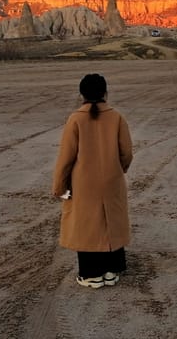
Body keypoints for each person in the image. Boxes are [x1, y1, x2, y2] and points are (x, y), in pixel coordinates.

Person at [52, 74, 133, 288]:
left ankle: (91, 275)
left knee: (87, 225)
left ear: (82, 95)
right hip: (112, 179)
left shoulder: (75, 119)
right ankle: (111, 271)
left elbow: (66, 158)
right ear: (106, 92)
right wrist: (117, 170)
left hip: (83, 183)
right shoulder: (117, 117)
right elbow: (126, 153)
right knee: (111, 221)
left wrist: (59, 187)